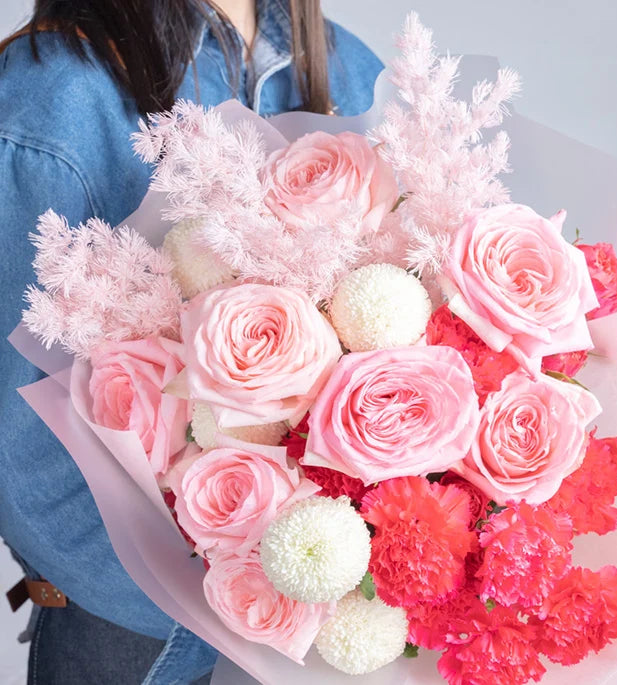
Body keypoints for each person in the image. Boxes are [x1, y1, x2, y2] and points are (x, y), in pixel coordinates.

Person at [0, 1, 382, 682]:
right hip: (142, 640)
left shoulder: (346, 67)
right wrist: (221, 602)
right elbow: (20, 452)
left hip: (321, 620)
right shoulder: (59, 94)